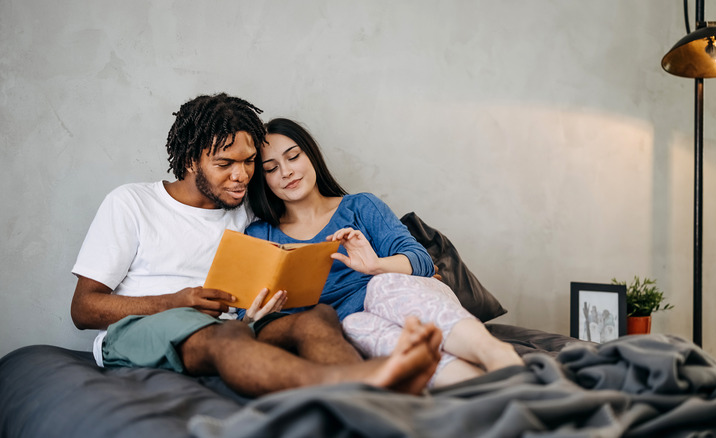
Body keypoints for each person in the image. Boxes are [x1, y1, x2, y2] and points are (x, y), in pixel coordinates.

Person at [70, 93, 441, 397]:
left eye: (249, 162)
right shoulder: (131, 203)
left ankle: (373, 399)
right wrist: (175, 301)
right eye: (225, 164)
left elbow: (303, 224)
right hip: (149, 326)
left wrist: (412, 267)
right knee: (223, 336)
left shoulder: (246, 211)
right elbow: (83, 309)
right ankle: (359, 384)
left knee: (316, 318)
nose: (241, 175)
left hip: (241, 322)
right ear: (188, 161)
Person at [244, 118, 524, 387]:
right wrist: (253, 317)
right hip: (347, 325)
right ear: (263, 179)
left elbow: (422, 261)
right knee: (354, 325)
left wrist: (376, 265)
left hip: (404, 296)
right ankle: (482, 386)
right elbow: (247, 309)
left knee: (381, 286)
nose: (286, 172)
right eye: (271, 168)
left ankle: (500, 356)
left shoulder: (360, 207)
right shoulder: (260, 235)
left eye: (293, 157)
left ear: (311, 156)